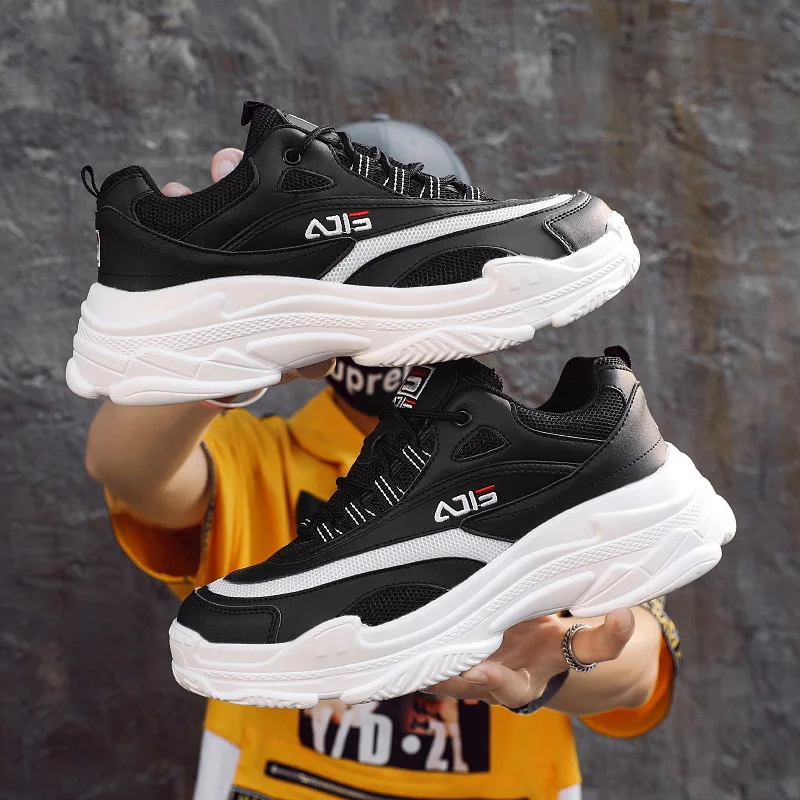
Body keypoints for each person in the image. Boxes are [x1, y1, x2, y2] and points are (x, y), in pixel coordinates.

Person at [85, 124, 681, 800]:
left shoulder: (540, 469)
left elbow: (637, 667)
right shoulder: (264, 460)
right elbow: (126, 468)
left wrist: (548, 649)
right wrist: (225, 347)